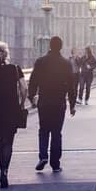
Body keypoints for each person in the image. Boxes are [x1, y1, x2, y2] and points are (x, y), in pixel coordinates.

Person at [28, 36, 77, 172]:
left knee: (43, 130)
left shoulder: (40, 61)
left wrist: (31, 97)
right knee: (56, 132)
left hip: (44, 101)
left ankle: (43, 156)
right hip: (59, 102)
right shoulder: (66, 63)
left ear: (49, 46)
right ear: (61, 47)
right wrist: (72, 104)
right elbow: (71, 86)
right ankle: (55, 163)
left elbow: (33, 81)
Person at [0, 41, 27, 188]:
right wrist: (21, 104)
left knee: (0, 141)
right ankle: (5, 172)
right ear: (7, 54)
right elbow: (24, 88)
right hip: (12, 108)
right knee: (9, 142)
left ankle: (1, 170)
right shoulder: (15, 69)